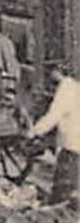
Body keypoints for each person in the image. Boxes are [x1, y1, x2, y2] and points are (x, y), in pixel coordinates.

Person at [28, 65, 80, 206]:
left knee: (62, 193)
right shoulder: (76, 86)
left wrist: (34, 132)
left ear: (56, 72)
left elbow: (53, 116)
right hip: (74, 145)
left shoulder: (66, 88)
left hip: (71, 147)